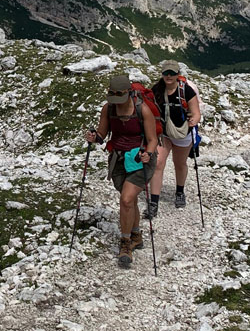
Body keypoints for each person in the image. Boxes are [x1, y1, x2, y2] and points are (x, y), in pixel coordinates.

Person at [86, 74, 158, 269]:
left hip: (140, 160)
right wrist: (94, 137)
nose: (116, 101)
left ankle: (125, 244)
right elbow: (102, 134)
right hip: (118, 160)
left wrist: (148, 154)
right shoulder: (108, 109)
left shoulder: (142, 109)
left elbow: (152, 139)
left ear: (129, 92)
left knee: (126, 199)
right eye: (113, 95)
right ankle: (136, 235)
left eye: (120, 96)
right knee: (129, 200)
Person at [145, 61, 201, 217]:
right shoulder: (156, 90)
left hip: (183, 133)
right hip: (163, 133)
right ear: (162, 74)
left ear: (178, 74)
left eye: (172, 73)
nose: (169, 76)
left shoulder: (186, 91)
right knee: (158, 162)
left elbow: (196, 112)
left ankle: (180, 191)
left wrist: (194, 120)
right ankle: (154, 202)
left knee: (179, 163)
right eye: (166, 73)